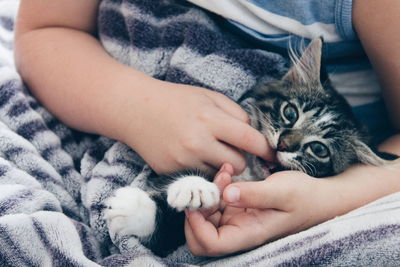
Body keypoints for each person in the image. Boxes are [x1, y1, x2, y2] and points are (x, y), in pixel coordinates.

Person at [14, 0, 400, 257]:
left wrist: (327, 199)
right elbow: (43, 31)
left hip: (331, 191)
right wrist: (136, 107)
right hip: (100, 105)